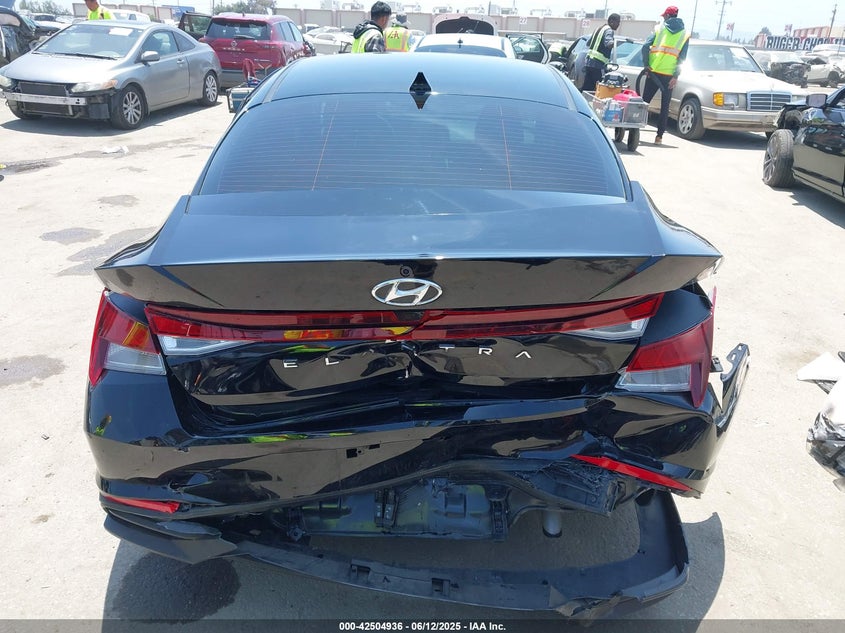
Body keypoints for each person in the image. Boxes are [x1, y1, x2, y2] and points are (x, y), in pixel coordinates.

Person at [640, 6, 690, 144]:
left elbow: (645, 46)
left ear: (668, 16)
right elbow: (682, 58)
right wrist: (675, 76)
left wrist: (646, 65)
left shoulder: (659, 28)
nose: (663, 18)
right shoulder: (684, 34)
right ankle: (659, 137)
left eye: (664, 16)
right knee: (664, 107)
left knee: (644, 103)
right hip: (669, 76)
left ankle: (635, 128)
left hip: (654, 72)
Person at [581, 13, 621, 93]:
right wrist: (617, 43)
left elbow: (588, 43)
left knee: (587, 87)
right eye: (618, 22)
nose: (618, 24)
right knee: (598, 89)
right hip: (598, 65)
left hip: (589, 62)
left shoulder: (599, 29)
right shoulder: (609, 30)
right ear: (611, 21)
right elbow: (608, 44)